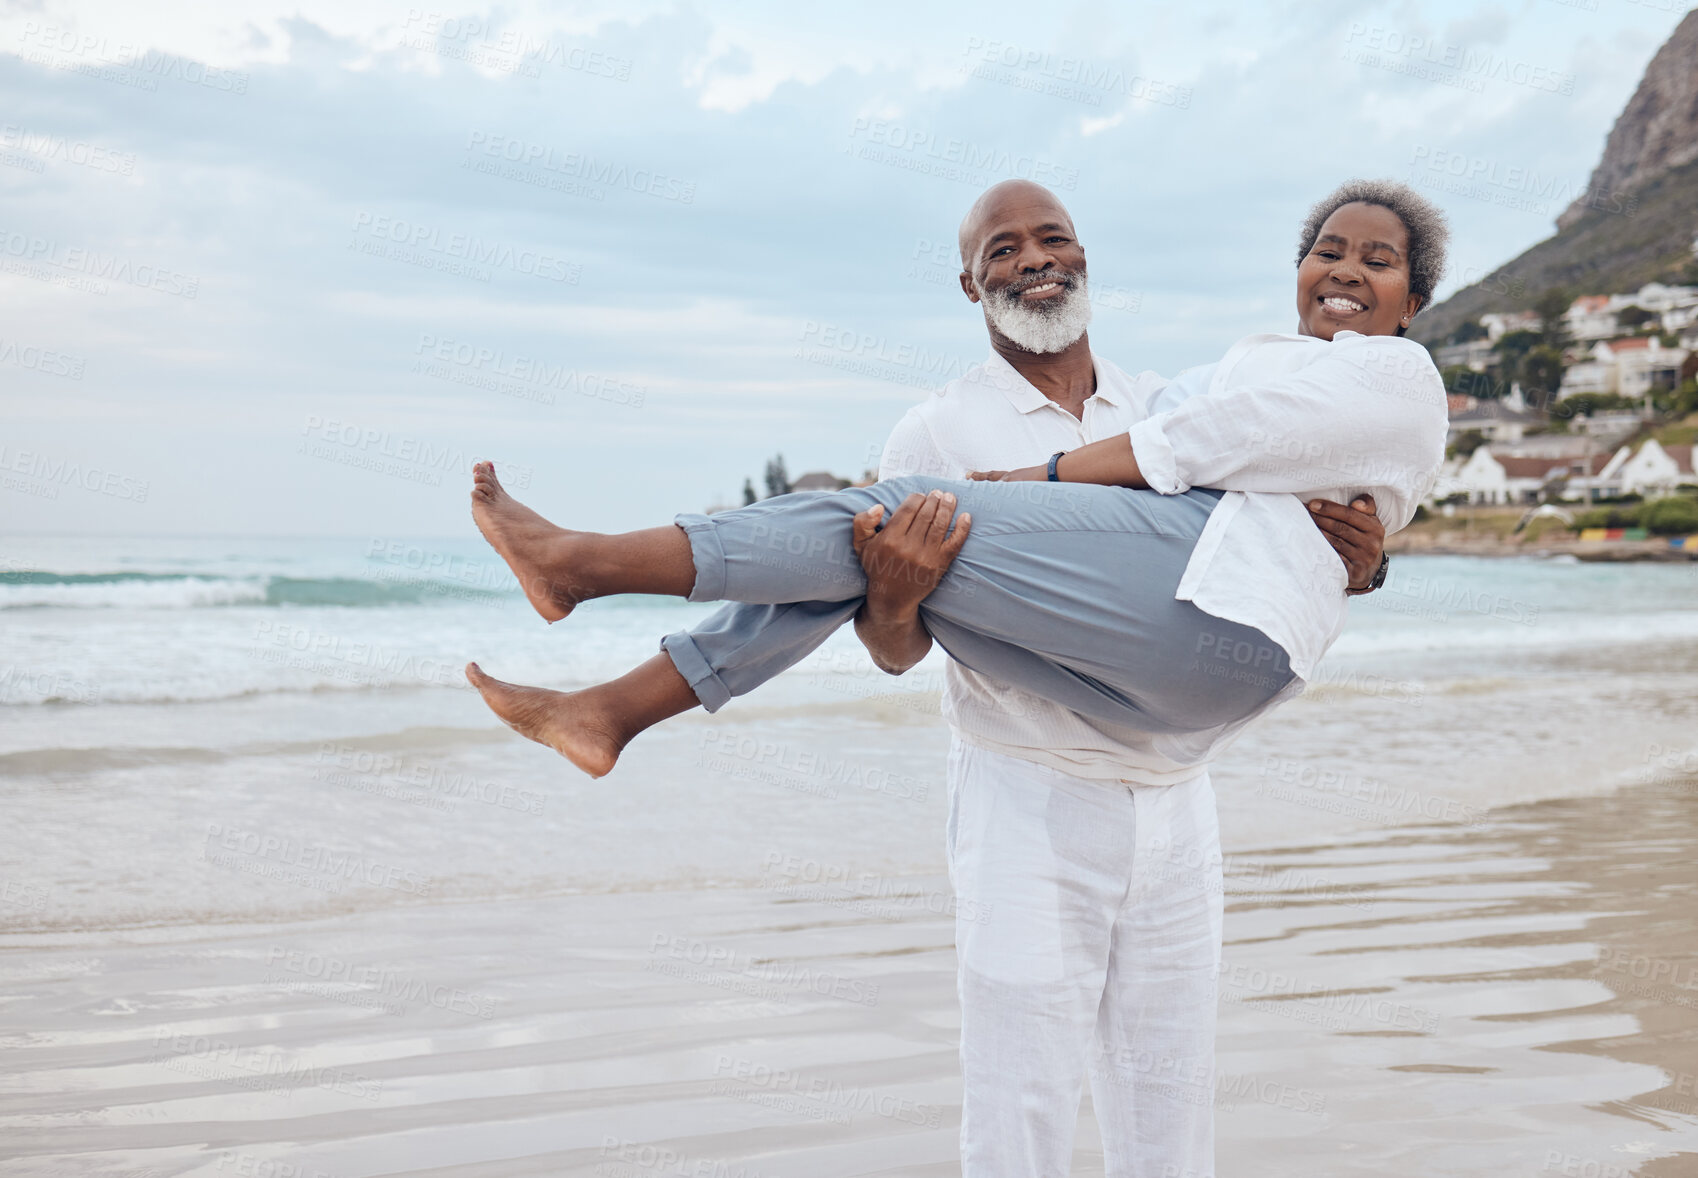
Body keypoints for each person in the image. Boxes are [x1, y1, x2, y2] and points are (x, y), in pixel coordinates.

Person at [465, 178, 1450, 1176]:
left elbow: (1277, 509)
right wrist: (894, 598)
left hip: (1172, 789)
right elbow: (895, 650)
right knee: (1017, 1111)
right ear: (971, 285)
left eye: (1052, 239)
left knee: (1168, 1107)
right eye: (1004, 251)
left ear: (1083, 259)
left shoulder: (1162, 398)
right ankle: (596, 623)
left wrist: (1365, 559)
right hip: (1028, 789)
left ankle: (610, 666)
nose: (1033, 261)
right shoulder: (935, 433)